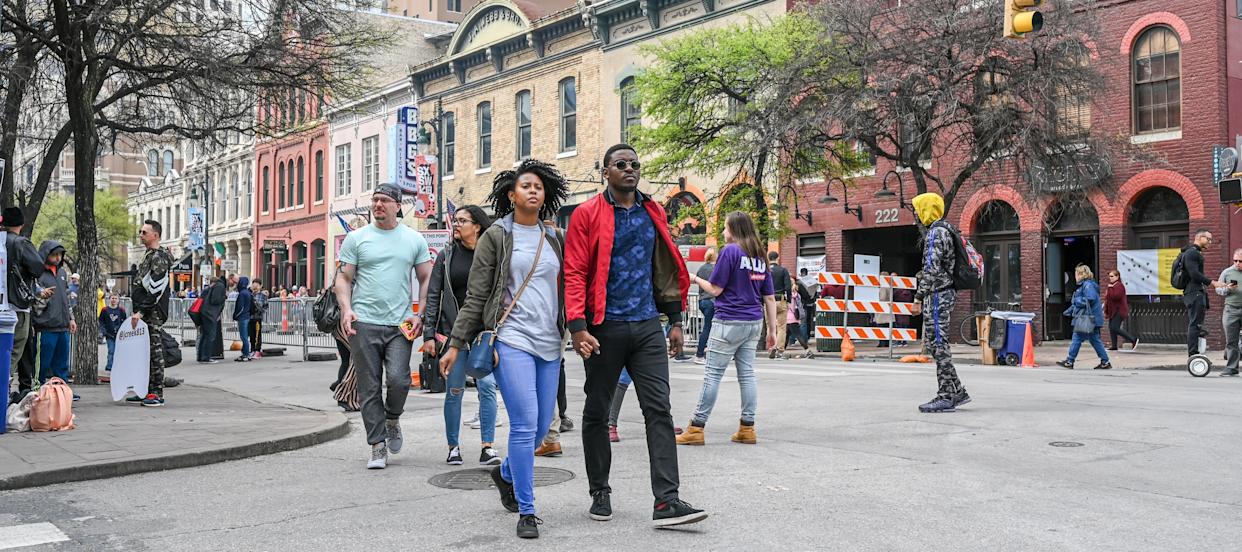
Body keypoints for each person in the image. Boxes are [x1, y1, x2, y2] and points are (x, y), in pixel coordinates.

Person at [566, 143, 707, 529]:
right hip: (603, 327)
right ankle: (600, 489)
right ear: (606, 172)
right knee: (596, 410)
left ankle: (667, 501)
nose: (630, 169)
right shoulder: (586, 214)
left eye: (635, 164)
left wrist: (675, 319)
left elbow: (664, 266)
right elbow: (575, 271)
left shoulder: (653, 210)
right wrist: (577, 326)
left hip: (647, 326)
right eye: (621, 164)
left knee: (658, 410)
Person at [439, 160, 568, 539]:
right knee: (526, 424)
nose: (533, 191)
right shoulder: (496, 235)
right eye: (525, 186)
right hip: (511, 339)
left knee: (545, 425)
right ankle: (527, 510)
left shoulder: (553, 236)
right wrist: (456, 342)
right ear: (511, 195)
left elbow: (565, 287)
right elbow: (478, 295)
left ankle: (506, 472)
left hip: (550, 342)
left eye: (538, 187)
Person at [336, 183, 433, 470]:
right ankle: (377, 445)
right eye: (375, 200)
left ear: (397, 206)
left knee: (400, 380)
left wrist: (421, 313)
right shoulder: (356, 238)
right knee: (368, 387)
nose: (378, 205)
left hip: (401, 322)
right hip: (364, 322)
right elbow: (344, 278)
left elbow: (426, 277)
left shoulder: (413, 239)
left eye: (384, 200)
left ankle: (392, 418)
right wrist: (346, 309)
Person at [678, 211, 777, 445]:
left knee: (712, 375)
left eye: (725, 228)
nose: (723, 232)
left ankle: (696, 428)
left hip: (728, 320)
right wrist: (772, 331)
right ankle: (747, 428)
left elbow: (714, 289)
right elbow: (770, 298)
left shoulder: (730, 251)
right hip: (753, 322)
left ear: (733, 229)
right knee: (747, 375)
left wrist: (694, 279)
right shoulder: (760, 256)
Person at [423, 204, 502, 467]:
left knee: (488, 387)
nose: (456, 225)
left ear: (477, 225)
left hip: (484, 334)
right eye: (455, 220)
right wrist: (429, 335)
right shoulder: (446, 256)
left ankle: (487, 446)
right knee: (454, 390)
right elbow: (433, 295)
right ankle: (453, 446)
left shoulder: (491, 253)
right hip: (453, 334)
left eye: (462, 221)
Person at [911, 193, 970, 413]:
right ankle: (957, 390)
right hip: (943, 293)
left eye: (917, 209)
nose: (915, 214)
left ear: (926, 209)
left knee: (938, 344)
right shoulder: (946, 229)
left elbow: (931, 270)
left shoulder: (936, 233)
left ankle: (945, 395)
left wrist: (918, 297)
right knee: (935, 344)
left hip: (938, 295)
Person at [4, 206, 47, 403]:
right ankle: (4, 391)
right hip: (17, 306)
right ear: (21, 223)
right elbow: (38, 267)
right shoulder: (21, 243)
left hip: (2, 303)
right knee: (13, 350)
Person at [129, 220, 174, 406]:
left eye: (144, 232)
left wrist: (141, 311)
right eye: (140, 231)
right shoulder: (149, 255)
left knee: (154, 351)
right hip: (145, 310)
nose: (141, 235)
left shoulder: (159, 256)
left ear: (155, 235)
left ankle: (156, 393)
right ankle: (146, 389)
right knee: (144, 351)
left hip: (152, 311)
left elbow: (156, 287)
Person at [33, 240, 75, 391]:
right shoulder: (37, 273)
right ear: (45, 255)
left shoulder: (62, 273)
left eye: (60, 255)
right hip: (45, 326)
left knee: (61, 364)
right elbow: (32, 299)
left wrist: (71, 319)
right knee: (42, 363)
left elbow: (67, 298)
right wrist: (43, 297)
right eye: (54, 255)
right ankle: (37, 391)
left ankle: (62, 392)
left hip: (63, 326)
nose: (57, 258)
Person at [1056, 265, 1111, 370]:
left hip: (1087, 318)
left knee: (1077, 338)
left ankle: (1070, 361)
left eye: (1076, 274)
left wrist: (1076, 300)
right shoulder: (1087, 285)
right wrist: (1069, 311)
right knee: (1095, 340)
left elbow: (1089, 299)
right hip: (1091, 319)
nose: (1075, 277)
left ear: (1081, 274)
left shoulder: (1087, 285)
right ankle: (1105, 361)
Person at [1181, 230, 1226, 356]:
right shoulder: (1192, 253)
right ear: (1200, 238)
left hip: (1196, 293)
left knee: (1197, 324)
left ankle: (1197, 352)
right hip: (1194, 293)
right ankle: (1193, 354)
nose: (1210, 242)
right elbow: (1194, 274)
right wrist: (1212, 283)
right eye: (1208, 239)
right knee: (1195, 324)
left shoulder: (1194, 253)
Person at [1217, 250, 1242, 376]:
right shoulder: (1227, 272)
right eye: (1235, 260)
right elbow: (1218, 289)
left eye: (1240, 261)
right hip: (1231, 309)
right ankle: (1232, 368)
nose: (1237, 263)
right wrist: (1227, 288)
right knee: (1231, 340)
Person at [693, 247, 717, 365]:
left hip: (702, 300)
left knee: (710, 326)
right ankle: (700, 354)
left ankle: (706, 351)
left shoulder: (702, 268)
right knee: (710, 327)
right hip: (712, 301)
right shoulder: (716, 269)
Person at [1104, 269, 1139, 351]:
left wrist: (1110, 289)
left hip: (1119, 310)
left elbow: (1115, 297)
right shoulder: (1112, 286)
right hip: (1112, 310)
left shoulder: (1119, 286)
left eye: (1112, 276)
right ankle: (1114, 345)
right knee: (1111, 328)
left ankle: (1133, 339)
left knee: (1115, 327)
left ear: (1117, 276)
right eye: (1109, 276)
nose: (1110, 278)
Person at [767, 251, 791, 359]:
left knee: (770, 326)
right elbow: (788, 286)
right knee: (782, 327)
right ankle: (780, 350)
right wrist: (789, 300)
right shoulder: (783, 270)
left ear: (768, 258)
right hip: (780, 299)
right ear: (778, 258)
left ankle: (771, 347)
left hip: (768, 300)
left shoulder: (765, 271)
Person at [197, 276, 226, 363]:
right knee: (210, 335)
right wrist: (224, 297)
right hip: (210, 314)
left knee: (204, 335)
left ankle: (201, 356)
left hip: (205, 312)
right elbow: (215, 300)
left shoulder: (211, 287)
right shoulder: (220, 286)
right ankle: (206, 357)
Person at [98, 293, 126, 374]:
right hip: (109, 334)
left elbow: (124, 321)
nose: (114, 300)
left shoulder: (121, 310)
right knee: (111, 351)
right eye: (112, 298)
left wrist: (121, 329)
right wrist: (103, 331)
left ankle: (118, 367)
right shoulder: (104, 310)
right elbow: (101, 321)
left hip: (119, 335)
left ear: (118, 300)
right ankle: (109, 367)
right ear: (109, 299)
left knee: (119, 351)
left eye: (115, 298)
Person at [786, 272, 813, 355]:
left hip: (788, 316)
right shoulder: (796, 294)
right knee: (786, 334)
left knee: (798, 334)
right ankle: (780, 349)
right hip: (795, 316)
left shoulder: (787, 294)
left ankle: (807, 350)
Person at [232, 276, 253, 362]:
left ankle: (246, 354)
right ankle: (245, 353)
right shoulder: (247, 292)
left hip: (242, 317)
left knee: (243, 337)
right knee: (245, 336)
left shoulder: (242, 293)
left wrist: (235, 315)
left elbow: (240, 307)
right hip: (247, 316)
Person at [249, 279, 267, 358]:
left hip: (258, 317)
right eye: (254, 285)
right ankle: (252, 349)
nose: (255, 287)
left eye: (257, 286)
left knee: (257, 334)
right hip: (250, 317)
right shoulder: (250, 294)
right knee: (251, 334)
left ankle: (257, 350)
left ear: (260, 286)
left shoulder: (262, 295)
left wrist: (255, 302)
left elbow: (263, 306)